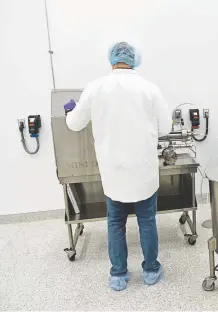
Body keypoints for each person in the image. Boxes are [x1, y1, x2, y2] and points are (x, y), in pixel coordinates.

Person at [64, 42, 171, 291]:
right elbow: (166, 128)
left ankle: (119, 275)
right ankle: (151, 270)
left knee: (115, 222)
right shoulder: (149, 89)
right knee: (147, 220)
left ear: (112, 60)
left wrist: (70, 110)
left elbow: (74, 124)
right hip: (143, 171)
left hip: (113, 172)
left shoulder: (96, 88)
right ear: (134, 60)